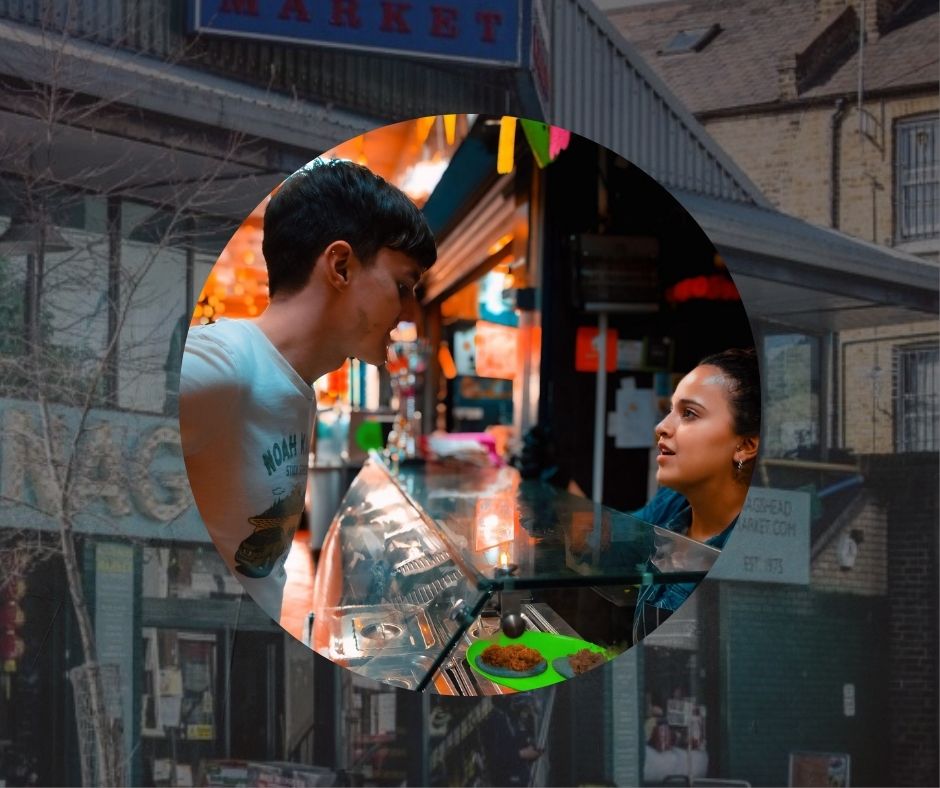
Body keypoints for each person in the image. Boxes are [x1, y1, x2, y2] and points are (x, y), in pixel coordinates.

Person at [179, 159, 437, 622]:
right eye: (402, 286)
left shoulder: (295, 386)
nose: (409, 313)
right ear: (340, 265)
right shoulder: (223, 364)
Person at [631, 347, 761, 643]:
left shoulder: (748, 554)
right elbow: (607, 540)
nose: (661, 427)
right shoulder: (672, 504)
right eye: (670, 411)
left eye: (689, 414)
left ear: (745, 445)